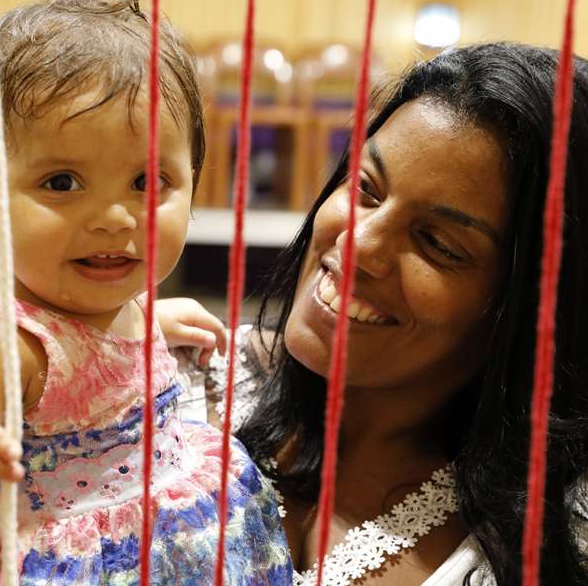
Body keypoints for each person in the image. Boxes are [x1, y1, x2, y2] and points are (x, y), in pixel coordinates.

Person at [0, 0, 291, 585]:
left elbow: (99, 350)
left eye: (149, 180)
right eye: (62, 181)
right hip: (53, 559)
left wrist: (148, 322)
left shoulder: (113, 301)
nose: (114, 217)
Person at [161, 42, 588, 584]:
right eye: (365, 188)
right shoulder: (169, 374)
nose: (359, 244)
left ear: (530, 308)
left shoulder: (538, 548)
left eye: (437, 242)